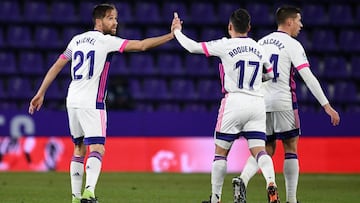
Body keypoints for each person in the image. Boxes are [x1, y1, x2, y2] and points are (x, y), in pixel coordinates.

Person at [28, 3, 178, 203]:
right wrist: (171, 35)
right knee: (97, 148)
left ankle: (75, 197)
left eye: (116, 18)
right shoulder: (106, 41)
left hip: (72, 99)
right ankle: (89, 193)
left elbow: (57, 65)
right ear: (99, 21)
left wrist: (40, 92)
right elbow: (141, 45)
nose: (115, 22)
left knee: (79, 147)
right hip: (92, 101)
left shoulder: (76, 40)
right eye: (111, 18)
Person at [234, 5, 340, 203]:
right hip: (284, 103)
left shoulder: (260, 43)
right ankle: (292, 199)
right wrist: (326, 105)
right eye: (299, 20)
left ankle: (242, 179)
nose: (301, 25)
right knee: (290, 149)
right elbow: (307, 77)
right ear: (289, 22)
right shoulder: (292, 45)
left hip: (261, 105)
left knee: (265, 149)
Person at [173, 9, 280, 203]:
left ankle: (215, 198)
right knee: (260, 150)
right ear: (248, 27)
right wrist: (256, 79)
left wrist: (177, 31)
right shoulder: (258, 47)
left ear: (230, 27)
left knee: (221, 153)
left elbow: (193, 47)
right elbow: (271, 74)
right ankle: (271, 183)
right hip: (256, 102)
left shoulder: (225, 44)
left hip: (234, 101)